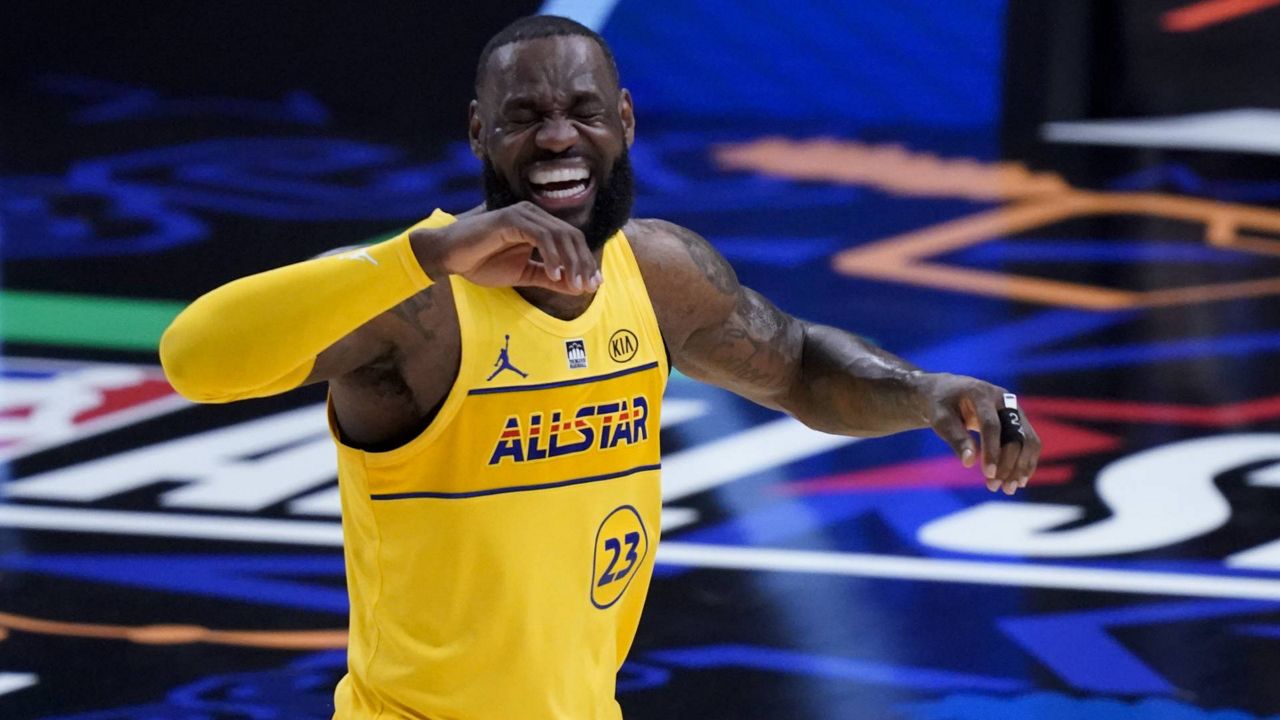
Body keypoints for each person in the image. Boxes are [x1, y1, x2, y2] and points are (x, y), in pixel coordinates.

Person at [159, 14, 1042, 720]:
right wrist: (423, 253)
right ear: (478, 133)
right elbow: (194, 359)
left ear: (623, 121)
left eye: (581, 111)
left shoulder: (656, 271)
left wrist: (925, 391)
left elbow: (799, 365)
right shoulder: (421, 300)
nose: (556, 139)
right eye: (523, 117)